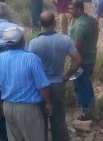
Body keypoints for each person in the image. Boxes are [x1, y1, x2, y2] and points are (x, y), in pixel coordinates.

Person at [0, 25, 52, 141]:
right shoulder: (31, 59)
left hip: (8, 106)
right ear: (22, 40)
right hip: (28, 108)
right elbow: (42, 85)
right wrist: (48, 103)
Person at [29, 11, 82, 141]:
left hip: (39, 87)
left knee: (40, 121)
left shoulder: (34, 43)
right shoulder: (65, 40)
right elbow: (78, 60)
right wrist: (67, 75)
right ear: (55, 22)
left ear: (39, 23)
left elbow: (29, 66)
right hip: (58, 84)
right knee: (58, 121)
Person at [68, 0, 98, 120]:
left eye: (72, 9)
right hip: (91, 57)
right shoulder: (91, 20)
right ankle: (92, 106)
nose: (70, 11)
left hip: (82, 61)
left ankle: (85, 112)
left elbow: (77, 45)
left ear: (79, 9)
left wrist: (74, 61)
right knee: (87, 84)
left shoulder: (79, 26)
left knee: (81, 87)